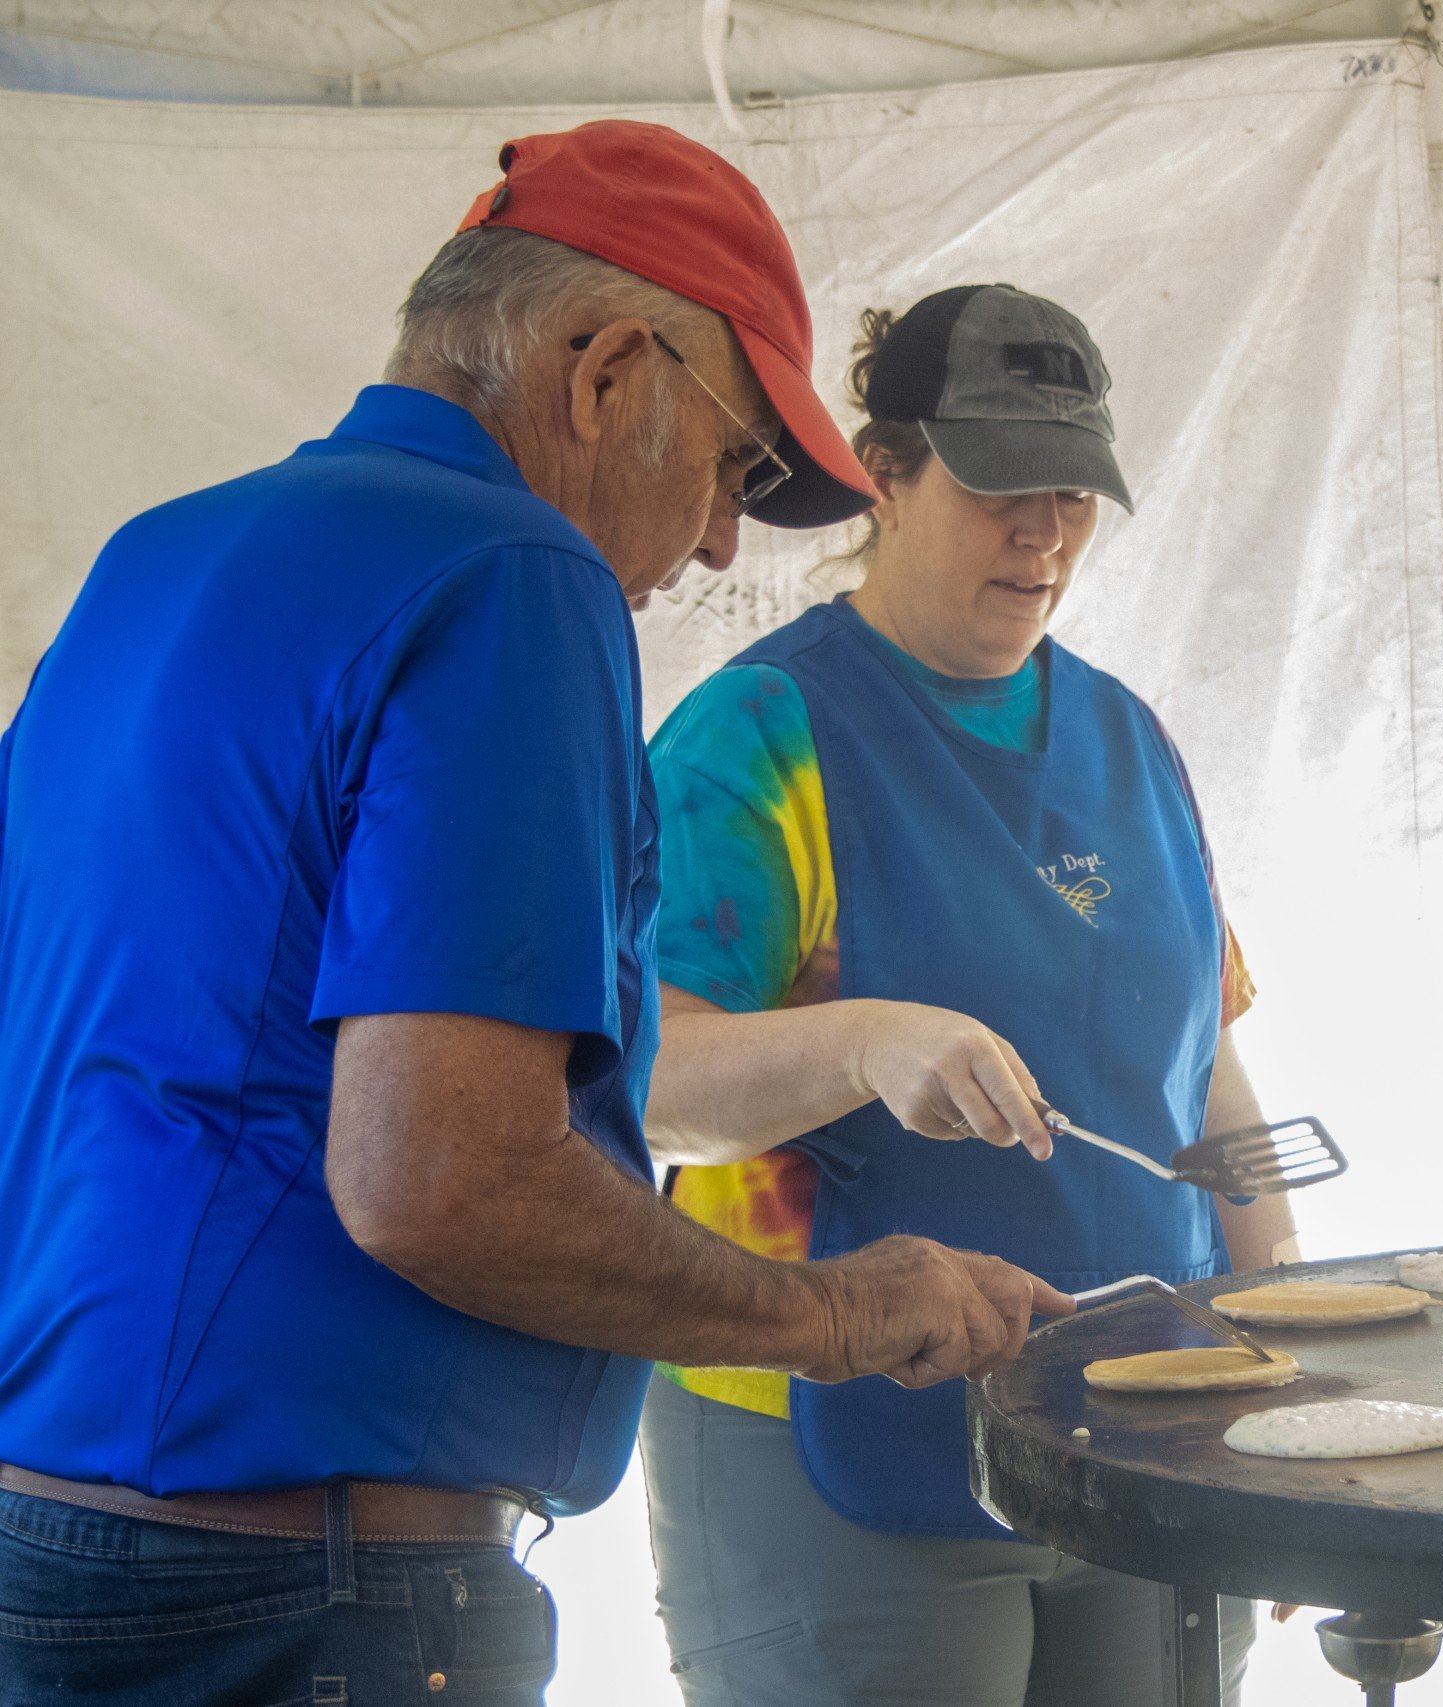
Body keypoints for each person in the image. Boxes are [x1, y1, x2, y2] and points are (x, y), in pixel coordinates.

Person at [0, 123, 1069, 1707]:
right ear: (607, 371)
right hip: (304, 1590)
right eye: (735, 465)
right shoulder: (513, 572)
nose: (717, 539)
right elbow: (443, 1179)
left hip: (53, 1546)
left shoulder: (153, 557)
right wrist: (840, 1311)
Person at [637, 285, 1292, 1706]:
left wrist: (1289, 1348)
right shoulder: (756, 739)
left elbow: (1210, 1086)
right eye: (1002, 484)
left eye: (1073, 491)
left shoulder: (1130, 739)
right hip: (833, 1436)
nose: (1043, 531)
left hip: (1146, 1427)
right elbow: (648, 1085)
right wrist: (865, 1042)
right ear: (885, 468)